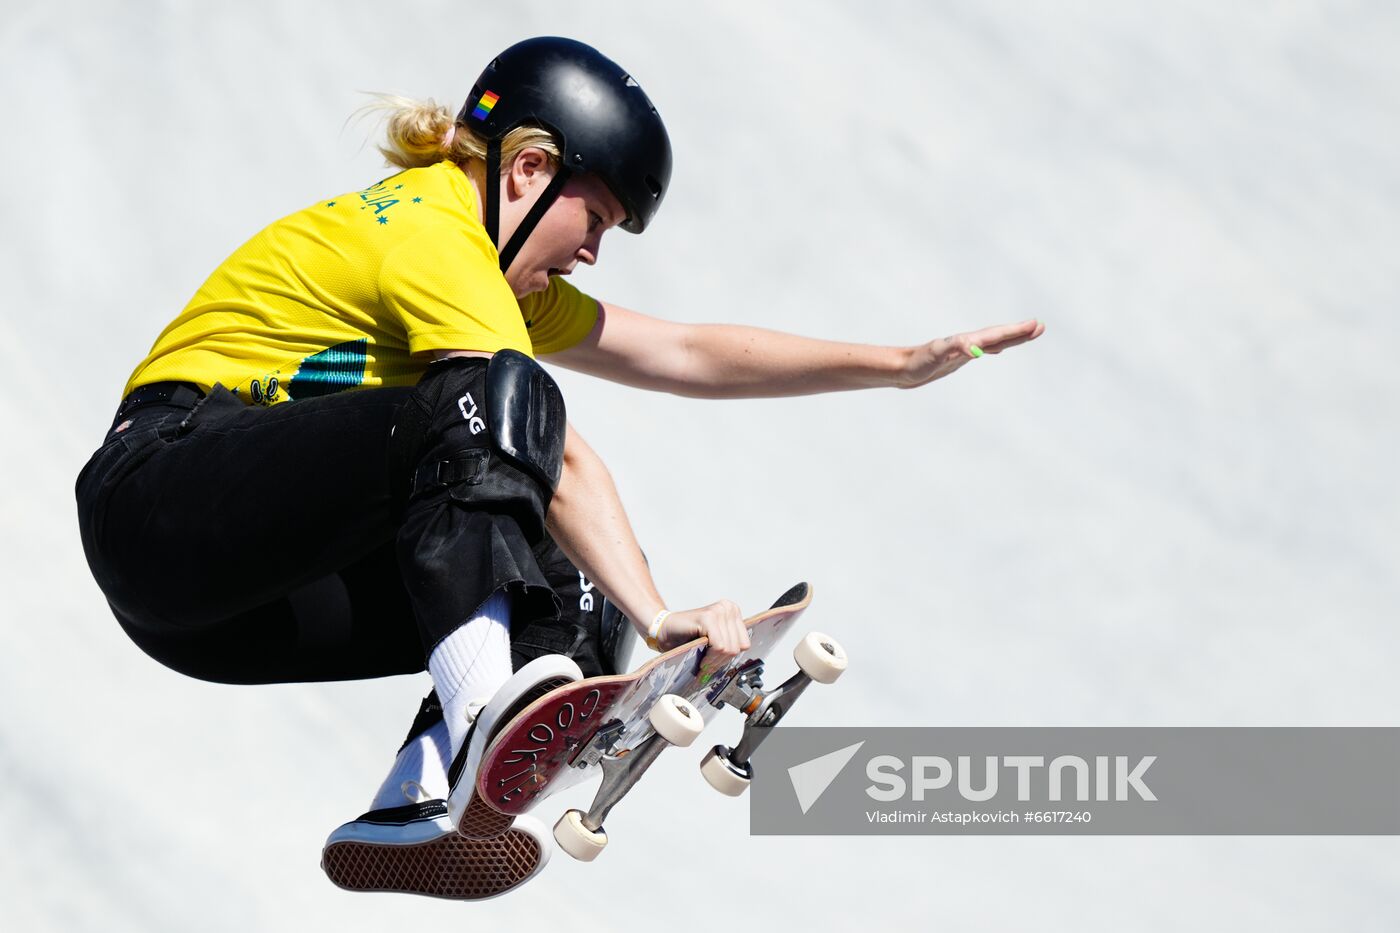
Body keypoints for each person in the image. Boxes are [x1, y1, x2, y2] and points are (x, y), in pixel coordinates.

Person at [75, 36, 1045, 901]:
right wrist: (658, 612)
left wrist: (894, 367)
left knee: (566, 586)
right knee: (511, 419)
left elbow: (686, 352)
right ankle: (482, 708)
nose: (590, 253)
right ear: (526, 168)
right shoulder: (430, 234)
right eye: (595, 219)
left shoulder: (500, 285)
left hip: (225, 615)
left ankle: (420, 808)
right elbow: (560, 455)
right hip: (161, 497)